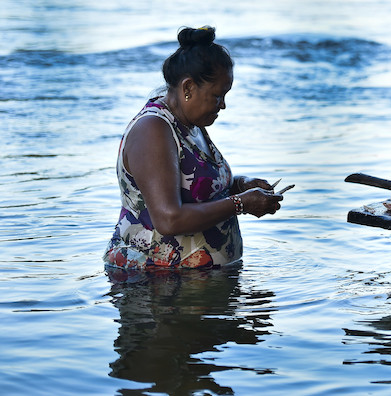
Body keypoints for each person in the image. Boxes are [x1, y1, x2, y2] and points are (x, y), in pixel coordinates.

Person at [104, 26, 284, 270]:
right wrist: (241, 203)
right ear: (188, 88)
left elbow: (197, 189)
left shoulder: (191, 125)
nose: (223, 105)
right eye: (217, 96)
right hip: (155, 286)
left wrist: (242, 184)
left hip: (193, 285)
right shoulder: (153, 130)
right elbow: (169, 219)